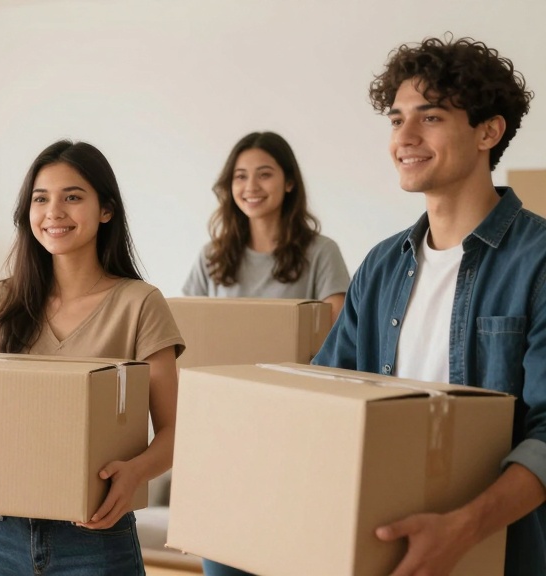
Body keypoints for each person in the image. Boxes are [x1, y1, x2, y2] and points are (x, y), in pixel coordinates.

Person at [0, 139, 185, 575]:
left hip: (96, 537)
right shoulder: (0, 302)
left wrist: (135, 473)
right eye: (40, 199)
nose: (54, 212)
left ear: (106, 210)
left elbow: (176, 431)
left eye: (72, 197)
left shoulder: (139, 304)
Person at [314, 36, 544, 576]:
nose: (405, 138)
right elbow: (327, 393)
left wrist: (461, 530)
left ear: (488, 131)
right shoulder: (380, 266)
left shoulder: (539, 263)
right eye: (396, 120)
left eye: (431, 117)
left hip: (498, 550)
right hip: (381, 537)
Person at [183, 131, 350, 321]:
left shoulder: (322, 252)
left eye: (264, 175)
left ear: (289, 182)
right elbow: (188, 328)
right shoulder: (211, 256)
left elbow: (338, 337)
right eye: (241, 176)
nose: (251, 186)